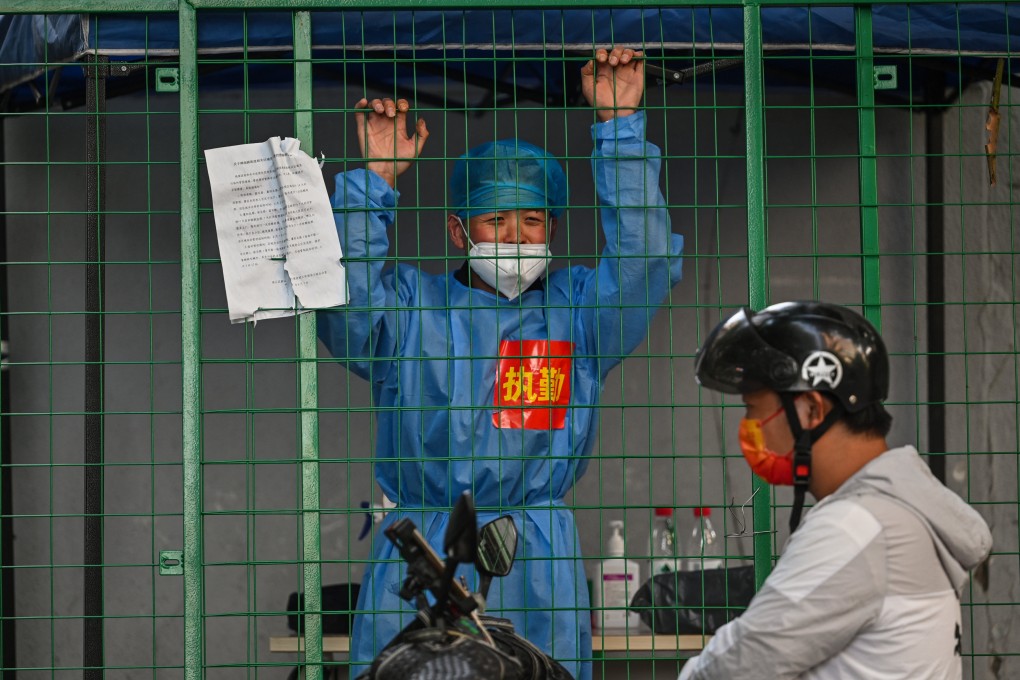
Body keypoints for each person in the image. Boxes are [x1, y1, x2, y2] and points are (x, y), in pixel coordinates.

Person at [317, 47, 684, 679]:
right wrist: (377, 180)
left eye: (534, 221)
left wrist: (620, 128)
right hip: (423, 557)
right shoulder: (411, 307)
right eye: (497, 220)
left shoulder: (580, 314)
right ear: (459, 232)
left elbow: (643, 261)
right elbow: (343, 306)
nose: (518, 237)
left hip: (536, 559)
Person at [679, 301, 993, 680]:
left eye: (753, 408)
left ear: (812, 409)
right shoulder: (904, 513)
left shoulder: (854, 528)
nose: (749, 426)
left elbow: (735, 668)